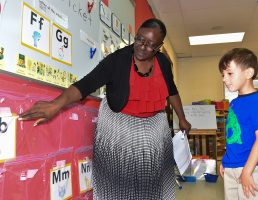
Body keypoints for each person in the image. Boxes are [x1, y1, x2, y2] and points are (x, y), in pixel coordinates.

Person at [19, 18, 191, 200]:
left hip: (153, 131)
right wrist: (56, 104)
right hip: (118, 129)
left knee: (152, 184)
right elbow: (85, 84)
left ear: (159, 47)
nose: (142, 46)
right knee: (118, 185)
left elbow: (172, 90)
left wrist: (182, 118)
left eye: (150, 45)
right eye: (140, 39)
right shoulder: (117, 60)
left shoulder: (163, 62)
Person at [218, 48, 258, 200]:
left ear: (249, 73)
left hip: (252, 168)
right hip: (232, 167)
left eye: (229, 73)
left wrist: (246, 172)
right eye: (223, 75)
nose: (224, 79)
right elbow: (233, 136)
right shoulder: (234, 104)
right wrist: (226, 160)